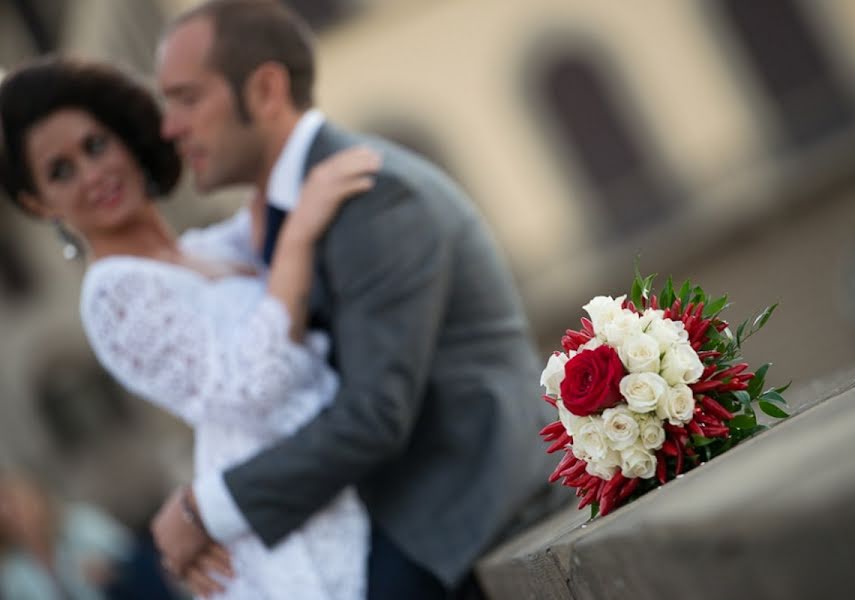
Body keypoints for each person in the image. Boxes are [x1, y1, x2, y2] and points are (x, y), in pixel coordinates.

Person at [150, 1, 564, 598]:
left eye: (187, 98)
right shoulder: (271, 216)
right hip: (398, 519)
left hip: (466, 517)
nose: (170, 127)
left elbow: (374, 416)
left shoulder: (374, 195)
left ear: (266, 89)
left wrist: (206, 509)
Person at [0, 56, 382, 599]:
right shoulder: (114, 294)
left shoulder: (208, 247)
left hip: (343, 478)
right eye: (60, 171)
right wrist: (297, 239)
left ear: (127, 139)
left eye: (95, 145)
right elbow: (252, 388)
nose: (92, 174)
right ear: (39, 203)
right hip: (307, 541)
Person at [0, 473, 135, 600]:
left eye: (12, 502)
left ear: (35, 497)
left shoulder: (80, 522)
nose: (8, 512)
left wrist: (112, 572)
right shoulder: (10, 570)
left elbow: (134, 557)